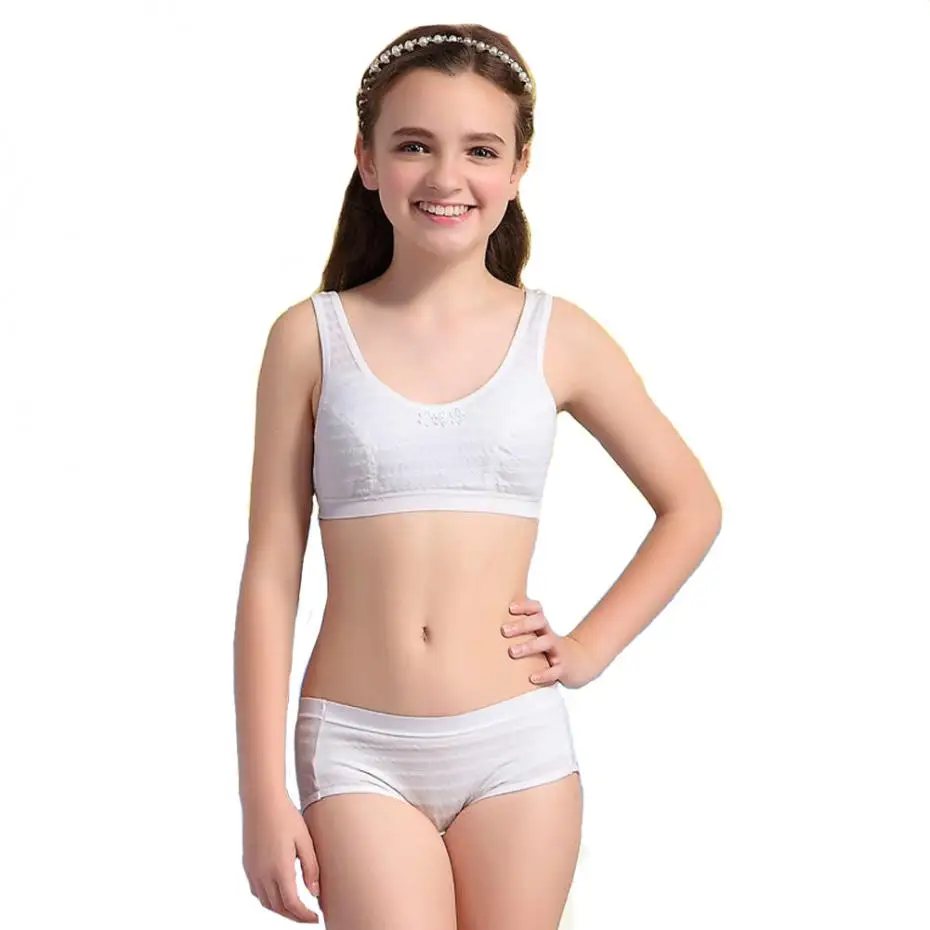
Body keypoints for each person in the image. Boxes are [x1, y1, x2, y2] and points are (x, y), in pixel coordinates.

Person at [234, 22, 722, 930]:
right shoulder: (309, 338)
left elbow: (691, 506)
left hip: (515, 748)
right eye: (414, 145)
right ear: (367, 159)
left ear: (519, 167)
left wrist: (589, 648)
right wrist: (261, 793)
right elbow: (271, 572)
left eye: (481, 150)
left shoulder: (559, 336)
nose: (447, 177)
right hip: (358, 746)